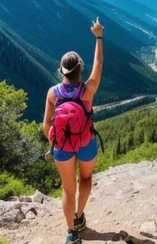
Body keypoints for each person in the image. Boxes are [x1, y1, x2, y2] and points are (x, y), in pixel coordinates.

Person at [43, 17, 104, 244]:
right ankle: (79, 217)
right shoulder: (88, 90)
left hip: (63, 148)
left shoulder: (53, 93)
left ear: (61, 70)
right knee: (86, 178)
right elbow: (98, 66)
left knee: (68, 190)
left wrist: (57, 142)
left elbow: (46, 125)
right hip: (86, 141)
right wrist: (98, 36)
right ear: (80, 69)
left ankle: (72, 233)